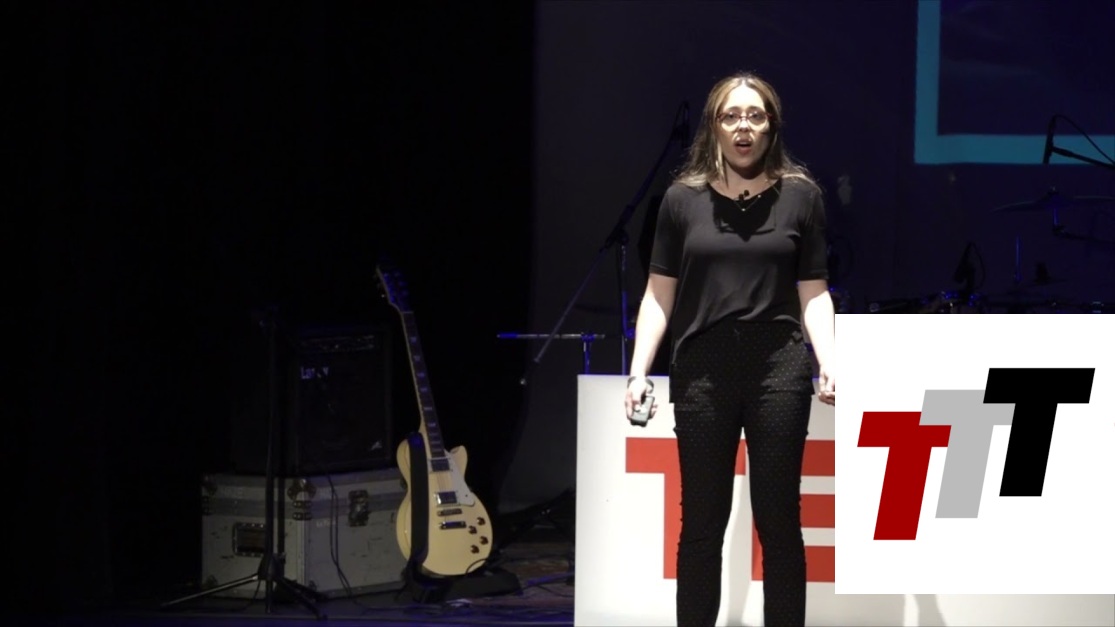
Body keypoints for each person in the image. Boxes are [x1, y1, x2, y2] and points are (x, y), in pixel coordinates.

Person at [624, 71, 836, 627]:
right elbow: (659, 293)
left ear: (771, 126)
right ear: (714, 126)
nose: (743, 127)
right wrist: (638, 371)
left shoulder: (802, 196)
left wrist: (829, 359)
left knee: (779, 522)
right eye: (731, 116)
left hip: (778, 367)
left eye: (755, 116)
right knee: (701, 525)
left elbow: (814, 290)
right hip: (702, 368)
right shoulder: (682, 200)